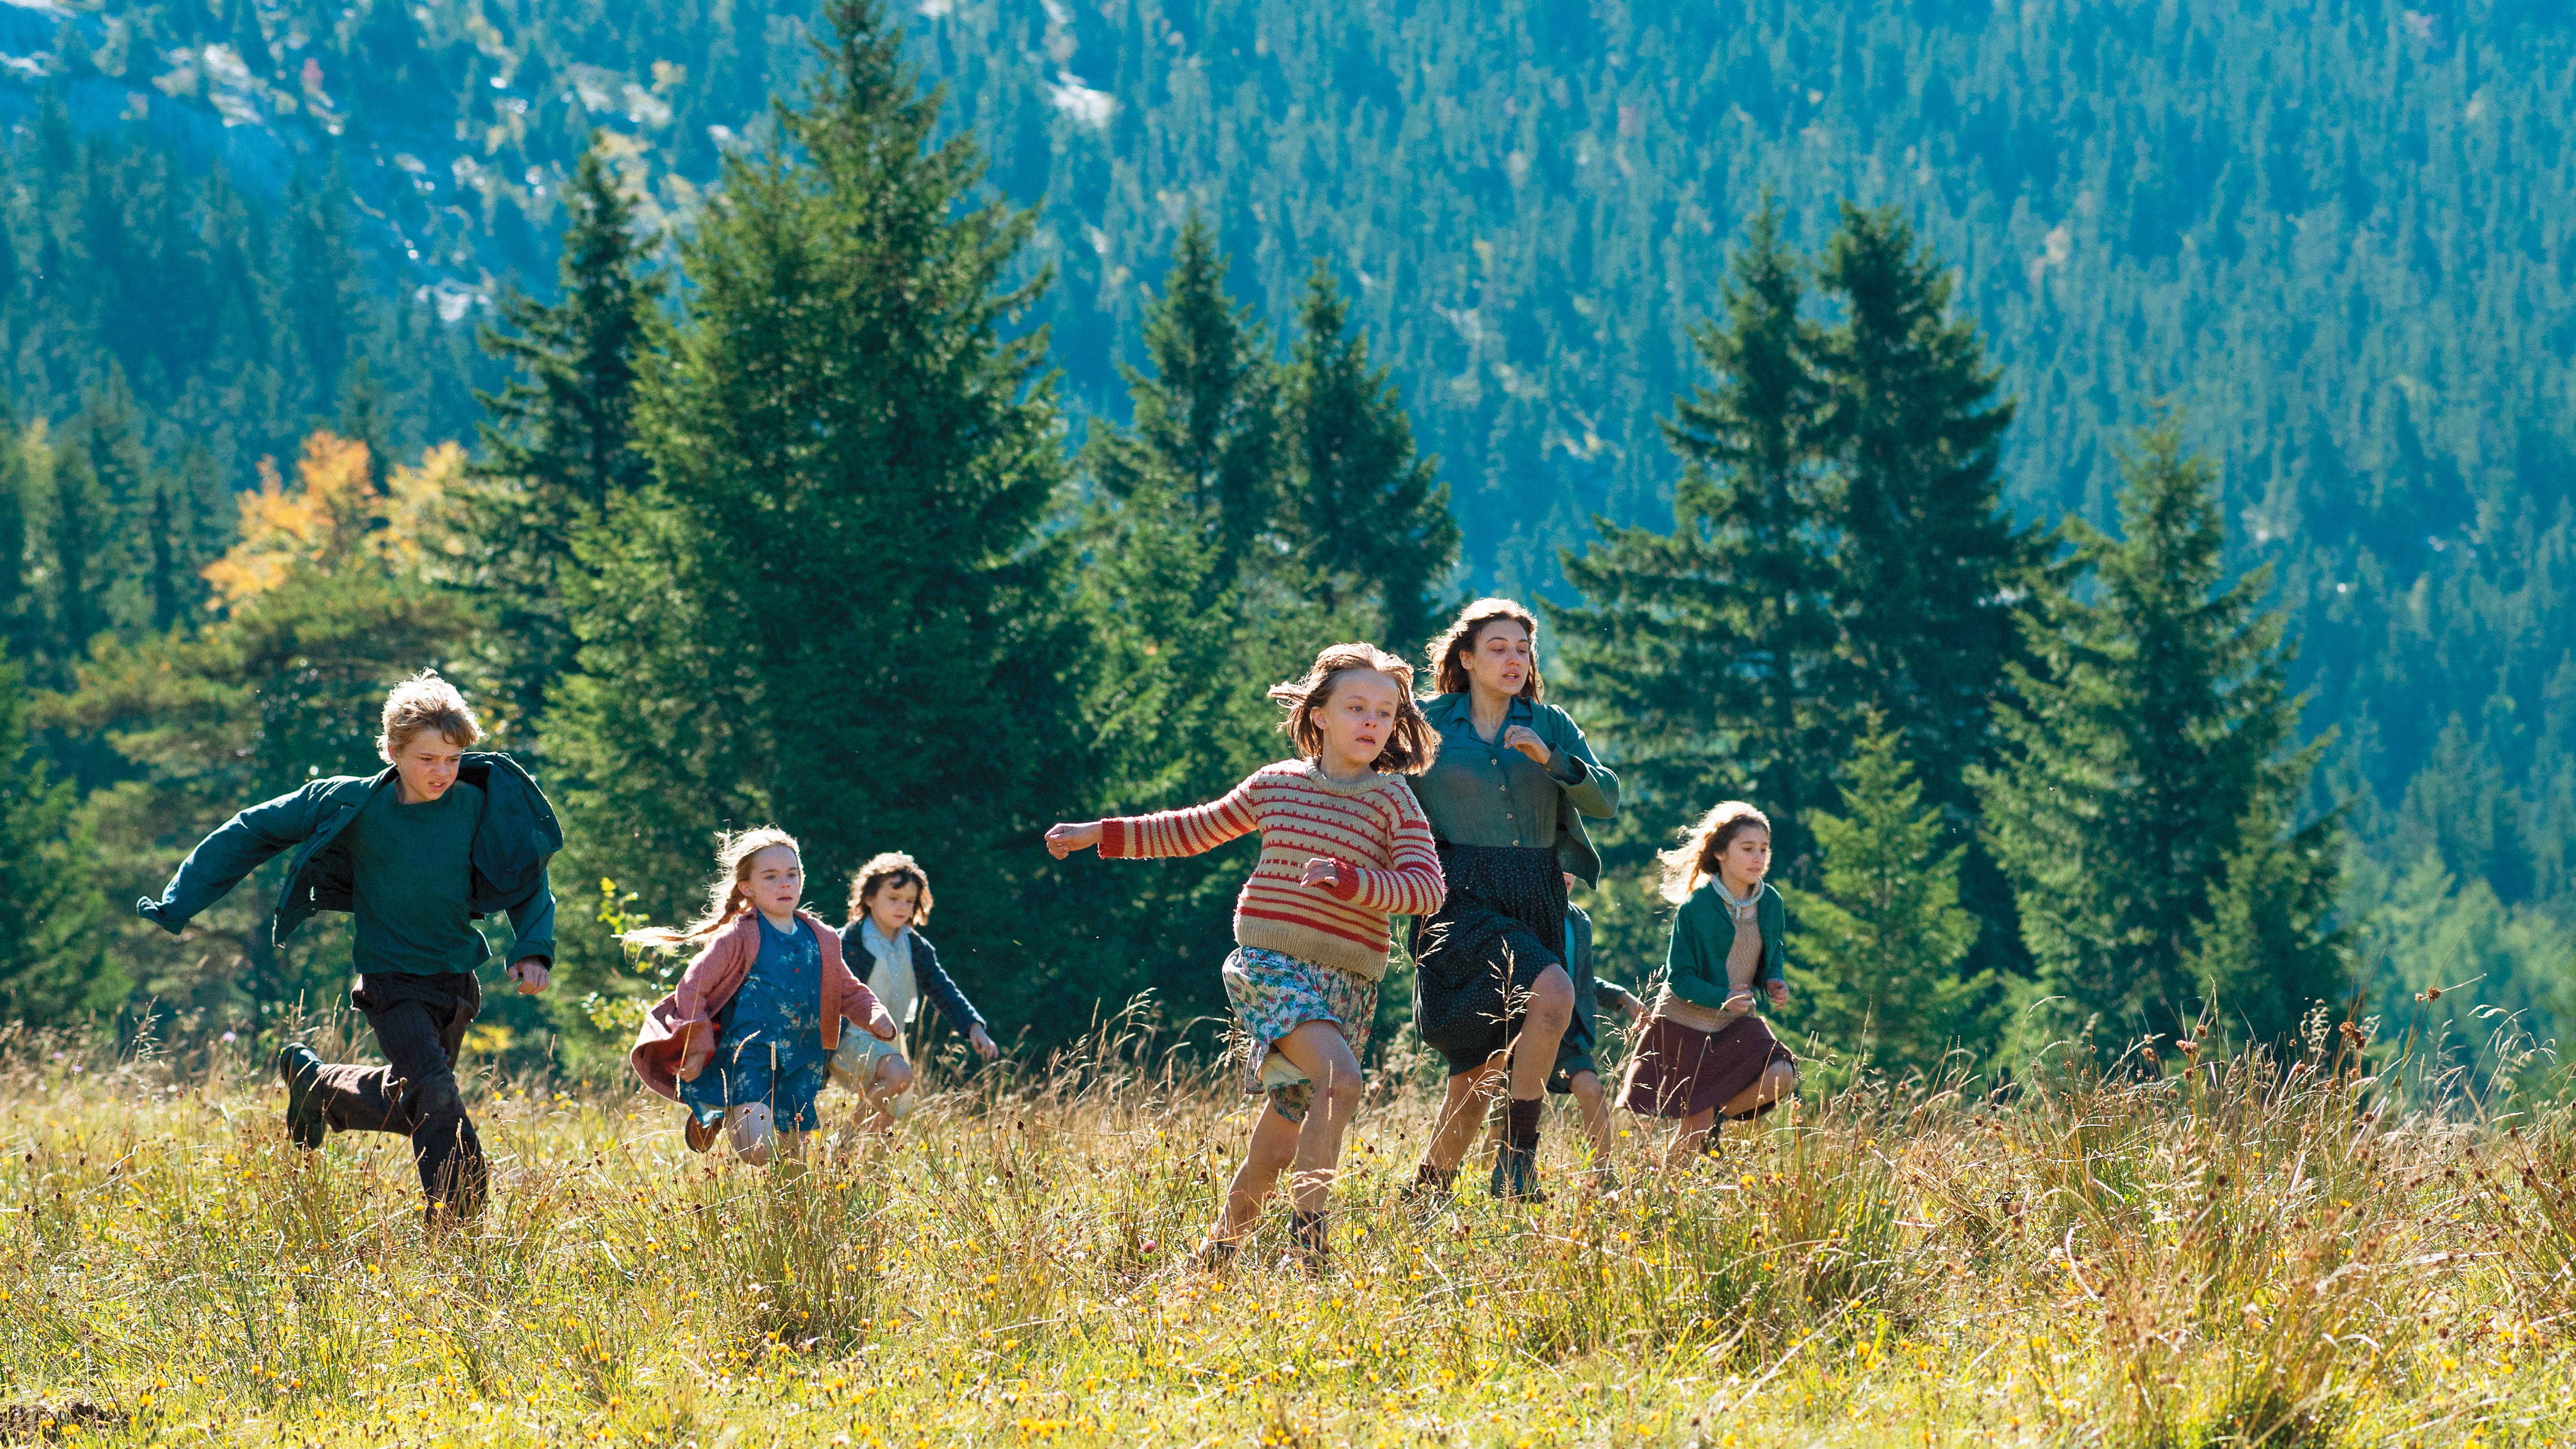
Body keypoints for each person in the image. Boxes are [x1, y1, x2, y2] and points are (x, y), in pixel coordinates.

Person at [1045, 643, 1443, 1273]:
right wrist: (1102, 832)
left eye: (1385, 712)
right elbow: (1190, 827)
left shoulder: (1393, 802)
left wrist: (1352, 881)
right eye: (1355, 707)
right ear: (1318, 715)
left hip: (1347, 983)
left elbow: (1426, 888)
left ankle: (1217, 1254)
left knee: (1285, 1129)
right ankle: (1308, 1246)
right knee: (1340, 1081)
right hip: (1269, 965)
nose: (1371, 721)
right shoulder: (1276, 785)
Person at [135, 671, 560, 1222]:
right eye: (428, 758)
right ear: (392, 750)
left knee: (416, 1101)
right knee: (436, 1095)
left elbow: (525, 875)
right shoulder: (351, 805)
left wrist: (532, 946)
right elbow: (250, 831)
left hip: (455, 984)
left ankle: (321, 1087)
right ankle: (458, 1225)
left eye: (453, 759)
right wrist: (179, 901)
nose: (443, 772)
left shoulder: (479, 805)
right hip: (390, 985)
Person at [1404, 598, 1619, 1204]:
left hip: (1536, 889)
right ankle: (1519, 1163)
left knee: (1478, 1075)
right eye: (1498, 648)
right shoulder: (1426, 721)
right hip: (1454, 891)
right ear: (1466, 658)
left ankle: (1425, 1197)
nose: (1514, 659)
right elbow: (1372, 775)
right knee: (1554, 991)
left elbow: (1606, 799)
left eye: (1523, 649)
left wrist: (1553, 762)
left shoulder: (1551, 723)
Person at [626, 829, 899, 1164]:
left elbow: (849, 990)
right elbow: (692, 987)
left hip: (803, 1058)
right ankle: (722, 1105)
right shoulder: (739, 936)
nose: (784, 884)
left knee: (793, 1163)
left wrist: (874, 1014)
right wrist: (696, 1048)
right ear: (748, 887)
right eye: (770, 877)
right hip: (749, 1056)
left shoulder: (823, 938)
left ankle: (790, 1214)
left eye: (791, 875)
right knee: (759, 1152)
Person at [1617, 802, 1799, 1162]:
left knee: (1782, 1074)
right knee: (1691, 1134)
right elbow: (1680, 978)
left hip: (1733, 1022)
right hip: (1684, 1025)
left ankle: (1714, 1118)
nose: (1758, 857)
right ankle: (1655, 1201)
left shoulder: (1772, 902)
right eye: (1747, 849)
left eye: (1764, 849)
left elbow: (1772, 948)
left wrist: (1774, 980)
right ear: (1720, 853)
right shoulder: (1696, 908)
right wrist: (1722, 997)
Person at [1483, 876, 1646, 1192]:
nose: (1568, 875)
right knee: (1505, 1111)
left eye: (1574, 866)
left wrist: (1621, 996)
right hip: (1521, 1027)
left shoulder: (1580, 920)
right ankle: (1496, 1178)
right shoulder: (1522, 912)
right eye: (1560, 865)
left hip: (1567, 1032)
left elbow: (1580, 979)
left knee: (1593, 1090)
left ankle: (1605, 1178)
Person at [833, 852, 1000, 1131]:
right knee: (899, 1075)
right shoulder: (849, 942)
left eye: (909, 901)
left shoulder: (916, 947)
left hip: (891, 1040)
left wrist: (974, 1028)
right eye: (893, 899)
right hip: (849, 1037)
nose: (902, 907)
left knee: (891, 1112)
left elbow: (944, 990)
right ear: (870, 898)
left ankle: (866, 1167)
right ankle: (846, 1142)